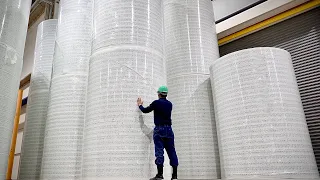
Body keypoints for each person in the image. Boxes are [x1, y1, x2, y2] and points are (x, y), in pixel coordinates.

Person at [137, 86, 179, 180]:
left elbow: (145, 110)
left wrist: (140, 105)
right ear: (166, 94)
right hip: (169, 130)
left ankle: (160, 175)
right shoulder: (170, 104)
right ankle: (175, 176)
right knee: (172, 151)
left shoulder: (156, 103)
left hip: (159, 129)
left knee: (159, 152)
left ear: (159, 94)